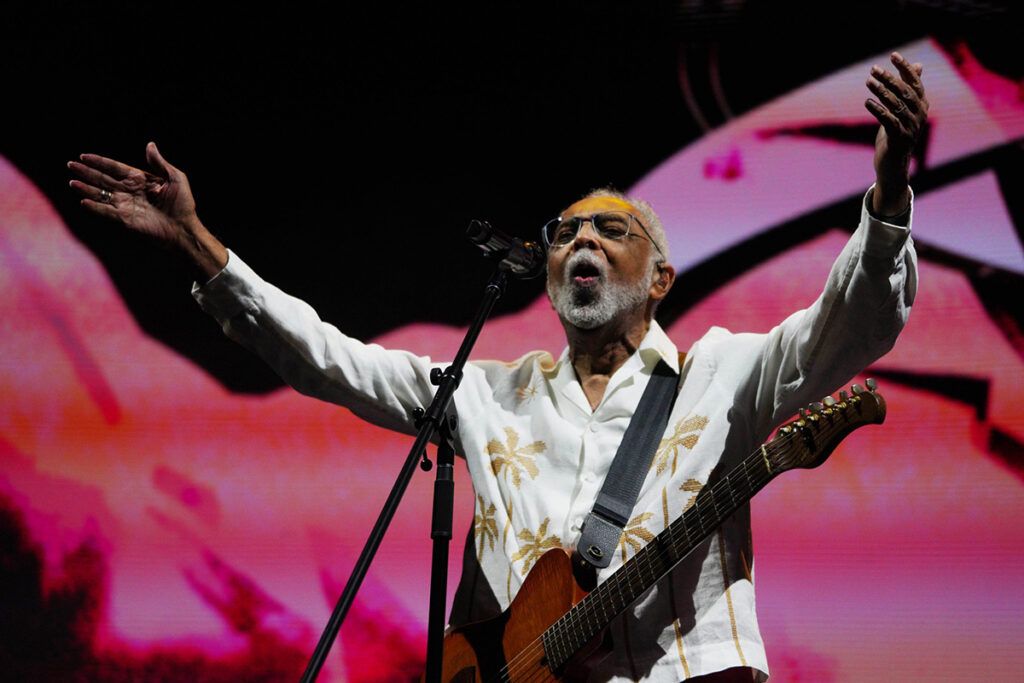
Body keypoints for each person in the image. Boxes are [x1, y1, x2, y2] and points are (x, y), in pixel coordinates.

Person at [69, 53, 927, 682]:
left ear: (661, 278)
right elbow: (331, 360)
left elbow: (848, 327)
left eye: (610, 230)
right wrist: (196, 242)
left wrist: (887, 194)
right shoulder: (487, 392)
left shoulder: (727, 372)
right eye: (566, 233)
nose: (581, 239)